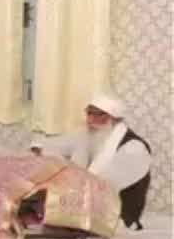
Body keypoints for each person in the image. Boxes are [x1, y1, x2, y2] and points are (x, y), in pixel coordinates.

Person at [30, 94, 152, 230]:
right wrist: (40, 147)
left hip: (118, 217)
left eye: (98, 115)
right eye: (89, 113)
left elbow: (103, 185)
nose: (90, 119)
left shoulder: (134, 148)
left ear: (114, 118)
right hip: (88, 205)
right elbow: (60, 144)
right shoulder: (91, 134)